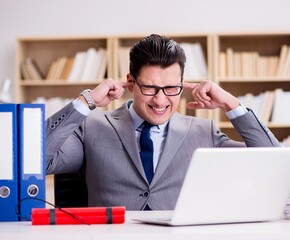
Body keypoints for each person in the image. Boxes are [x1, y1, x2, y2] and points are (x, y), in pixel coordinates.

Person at [46, 34, 280, 210]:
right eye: (149, 87)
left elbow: (275, 165)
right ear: (131, 82)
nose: (160, 100)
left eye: (170, 88)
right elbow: (37, 161)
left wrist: (231, 105)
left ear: (182, 82)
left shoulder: (203, 131)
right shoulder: (93, 127)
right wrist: (85, 101)